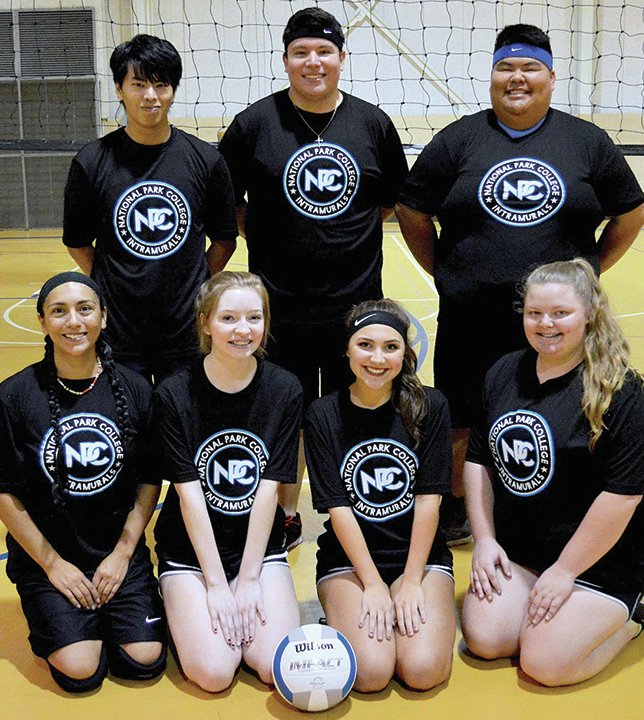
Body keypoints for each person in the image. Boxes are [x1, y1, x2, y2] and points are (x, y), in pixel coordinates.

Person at [396, 23, 644, 544]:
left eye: (530, 68)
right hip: (473, 313)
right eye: (505, 68)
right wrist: (443, 269)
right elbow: (411, 208)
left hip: (559, 321)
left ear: (551, 78)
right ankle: (462, 508)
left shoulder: (586, 141)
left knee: (578, 406)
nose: (517, 78)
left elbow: (631, 210)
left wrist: (591, 270)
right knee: (463, 413)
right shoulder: (459, 138)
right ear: (491, 77)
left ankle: (575, 501)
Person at [218, 7, 408, 543]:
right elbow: (229, 203)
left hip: (355, 305)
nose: (313, 61)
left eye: (324, 51)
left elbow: (390, 201)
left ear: (343, 59)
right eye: (301, 52)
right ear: (285, 60)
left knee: (360, 410)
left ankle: (362, 507)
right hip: (279, 307)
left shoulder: (372, 123)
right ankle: (287, 510)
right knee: (286, 416)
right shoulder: (255, 123)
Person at [461, 258, 643, 686]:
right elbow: (477, 460)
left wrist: (565, 571)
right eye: (534, 313)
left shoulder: (623, 390)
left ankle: (634, 612)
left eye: (561, 313)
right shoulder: (504, 371)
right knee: (486, 639)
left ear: (588, 314)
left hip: (595, 562)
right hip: (522, 552)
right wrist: (485, 540)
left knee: (545, 664)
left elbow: (624, 496)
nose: (546, 324)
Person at [0, 272, 166, 693]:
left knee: (144, 659)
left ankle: (109, 616)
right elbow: (5, 492)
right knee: (80, 670)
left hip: (116, 553)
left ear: (104, 318)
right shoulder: (15, 396)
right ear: (42, 322)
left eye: (84, 309)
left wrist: (125, 552)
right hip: (50, 556)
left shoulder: (134, 389)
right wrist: (53, 565)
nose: (73, 321)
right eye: (59, 311)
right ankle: (67, 620)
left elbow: (149, 479)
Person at [153, 271, 302, 692]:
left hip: (256, 548)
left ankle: (244, 595)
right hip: (192, 552)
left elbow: (269, 489)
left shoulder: (284, 388)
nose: (243, 330)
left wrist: (250, 578)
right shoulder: (174, 393)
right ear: (206, 323)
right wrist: (216, 585)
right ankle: (176, 603)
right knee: (216, 673)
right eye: (229, 318)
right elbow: (188, 494)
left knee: (275, 667)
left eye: (254, 318)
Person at [63, 34, 238, 384]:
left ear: (173, 89)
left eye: (161, 85)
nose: (150, 96)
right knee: (130, 429)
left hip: (185, 331)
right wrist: (115, 283)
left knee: (181, 430)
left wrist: (195, 284)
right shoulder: (91, 162)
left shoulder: (206, 160)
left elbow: (225, 239)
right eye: (138, 84)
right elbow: (77, 242)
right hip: (120, 332)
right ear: (119, 88)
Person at [304, 299, 455, 692]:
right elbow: (337, 507)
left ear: (405, 354)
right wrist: (371, 583)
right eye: (365, 345)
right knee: (370, 674)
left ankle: (416, 627)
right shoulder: (323, 414)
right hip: (350, 563)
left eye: (391, 347)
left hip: (419, 558)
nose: (377, 358)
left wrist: (409, 580)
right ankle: (347, 612)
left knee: (421, 671)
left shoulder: (430, 406)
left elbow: (429, 500)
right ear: (347, 350)